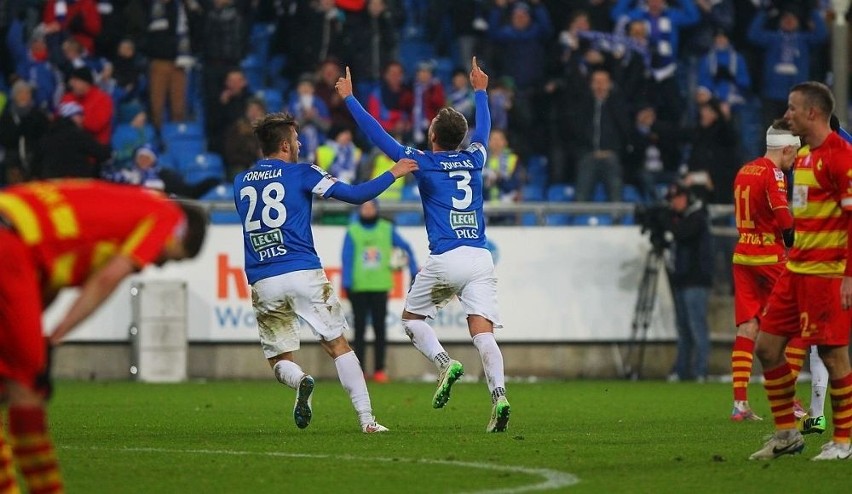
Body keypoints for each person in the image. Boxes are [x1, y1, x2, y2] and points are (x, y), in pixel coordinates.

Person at [337, 57, 512, 433]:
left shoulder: (422, 161)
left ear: (433, 136)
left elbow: (378, 136)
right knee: (484, 334)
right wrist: (481, 92)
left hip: (446, 257)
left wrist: (351, 100)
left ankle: (444, 362)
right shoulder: (475, 157)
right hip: (480, 257)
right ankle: (499, 395)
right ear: (460, 139)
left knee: (412, 320)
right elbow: (484, 130)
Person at [0, 180, 208, 493]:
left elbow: (48, 281)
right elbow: (107, 280)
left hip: (14, 221)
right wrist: (56, 337)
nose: (159, 265)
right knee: (28, 383)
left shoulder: (127, 207)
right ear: (180, 235)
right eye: (173, 257)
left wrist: (35, 332)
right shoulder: (167, 217)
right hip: (10, 243)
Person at [233, 112, 418, 433]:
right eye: (296, 138)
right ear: (284, 145)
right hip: (302, 270)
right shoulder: (302, 173)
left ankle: (301, 379)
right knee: (338, 346)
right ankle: (367, 421)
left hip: (263, 277)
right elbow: (356, 196)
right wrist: (394, 172)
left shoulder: (240, 182)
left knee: (280, 360)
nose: (300, 142)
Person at [749, 81, 852, 461]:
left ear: (812, 112)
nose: (787, 114)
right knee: (767, 347)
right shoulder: (805, 156)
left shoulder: (842, 157)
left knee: (832, 355)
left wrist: (849, 276)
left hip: (826, 273)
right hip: (796, 270)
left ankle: (842, 441)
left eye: (793, 109)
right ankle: (787, 434)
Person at [729, 120, 799, 421]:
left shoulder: (745, 170)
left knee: (748, 327)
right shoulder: (774, 173)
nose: (795, 159)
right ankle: (793, 402)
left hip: (743, 254)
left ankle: (740, 404)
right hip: (770, 257)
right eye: (794, 153)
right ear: (785, 149)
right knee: (795, 325)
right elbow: (781, 212)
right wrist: (794, 241)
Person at [342, 199, 419, 383]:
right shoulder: (353, 230)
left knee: (379, 329)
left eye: (370, 206)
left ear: (376, 209)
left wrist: (414, 267)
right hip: (358, 287)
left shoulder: (386, 228)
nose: (367, 210)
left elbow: (406, 246)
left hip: (380, 286)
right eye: (364, 206)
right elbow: (346, 257)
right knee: (359, 330)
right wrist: (347, 282)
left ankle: (379, 369)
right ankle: (358, 370)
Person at [665, 180, 714, 383]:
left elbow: (683, 233)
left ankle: (701, 370)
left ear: (685, 198)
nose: (674, 203)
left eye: (676, 198)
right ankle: (683, 370)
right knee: (684, 328)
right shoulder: (684, 218)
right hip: (681, 280)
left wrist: (667, 221)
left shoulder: (697, 217)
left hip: (696, 280)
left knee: (696, 327)